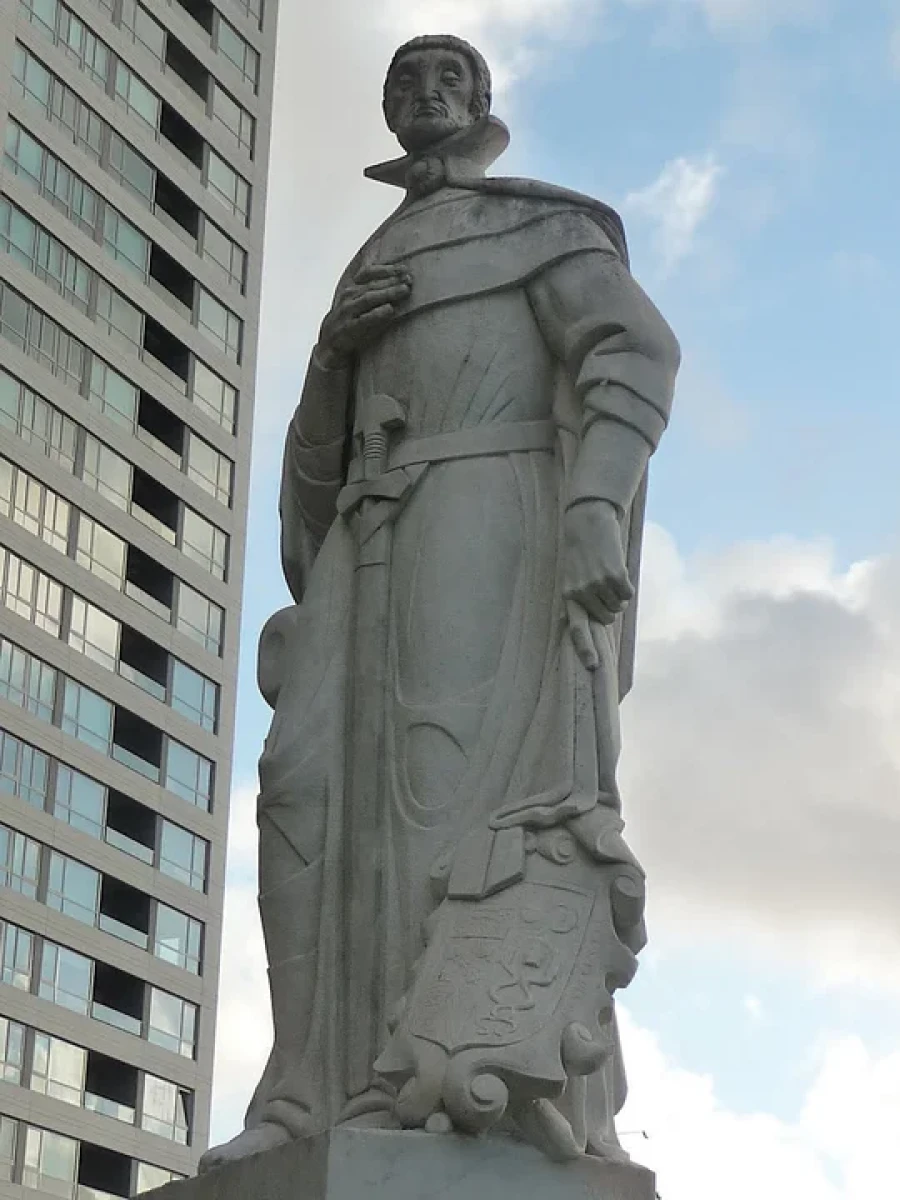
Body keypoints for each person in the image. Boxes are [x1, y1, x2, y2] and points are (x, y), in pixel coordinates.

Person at [200, 34, 679, 1171]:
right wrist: (332, 353)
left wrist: (595, 506)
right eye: (401, 82)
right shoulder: (372, 259)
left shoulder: (540, 226)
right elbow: (309, 483)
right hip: (371, 535)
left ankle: (465, 1078)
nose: (423, 97)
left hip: (486, 521)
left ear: (482, 102)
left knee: (451, 795)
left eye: (446, 80)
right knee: (304, 790)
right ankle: (308, 1088)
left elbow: (635, 349)